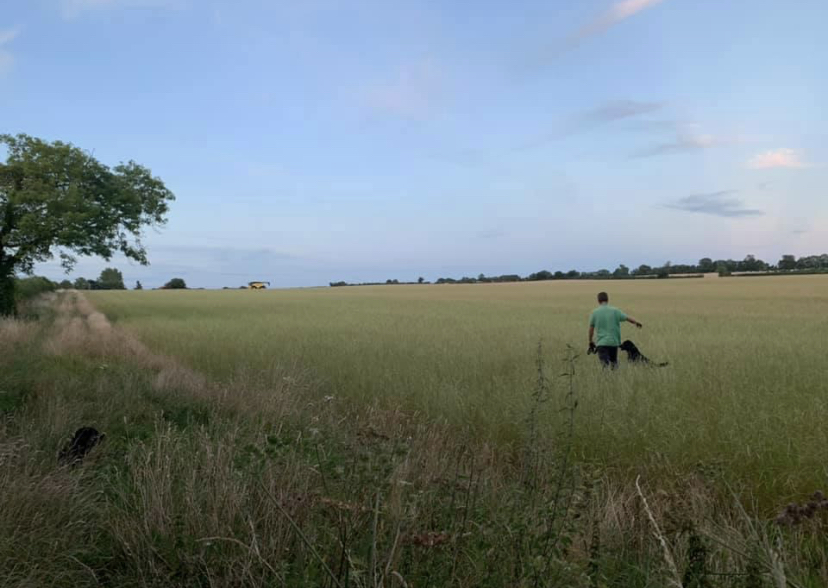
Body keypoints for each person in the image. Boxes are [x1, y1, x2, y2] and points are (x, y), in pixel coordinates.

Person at [588, 291, 642, 368]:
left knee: (604, 365)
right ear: (607, 300)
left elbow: (591, 329)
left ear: (598, 300)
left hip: (601, 343)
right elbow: (627, 318)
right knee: (614, 363)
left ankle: (607, 379)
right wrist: (636, 322)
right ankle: (615, 378)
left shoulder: (594, 313)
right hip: (613, 342)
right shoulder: (615, 311)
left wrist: (590, 341)